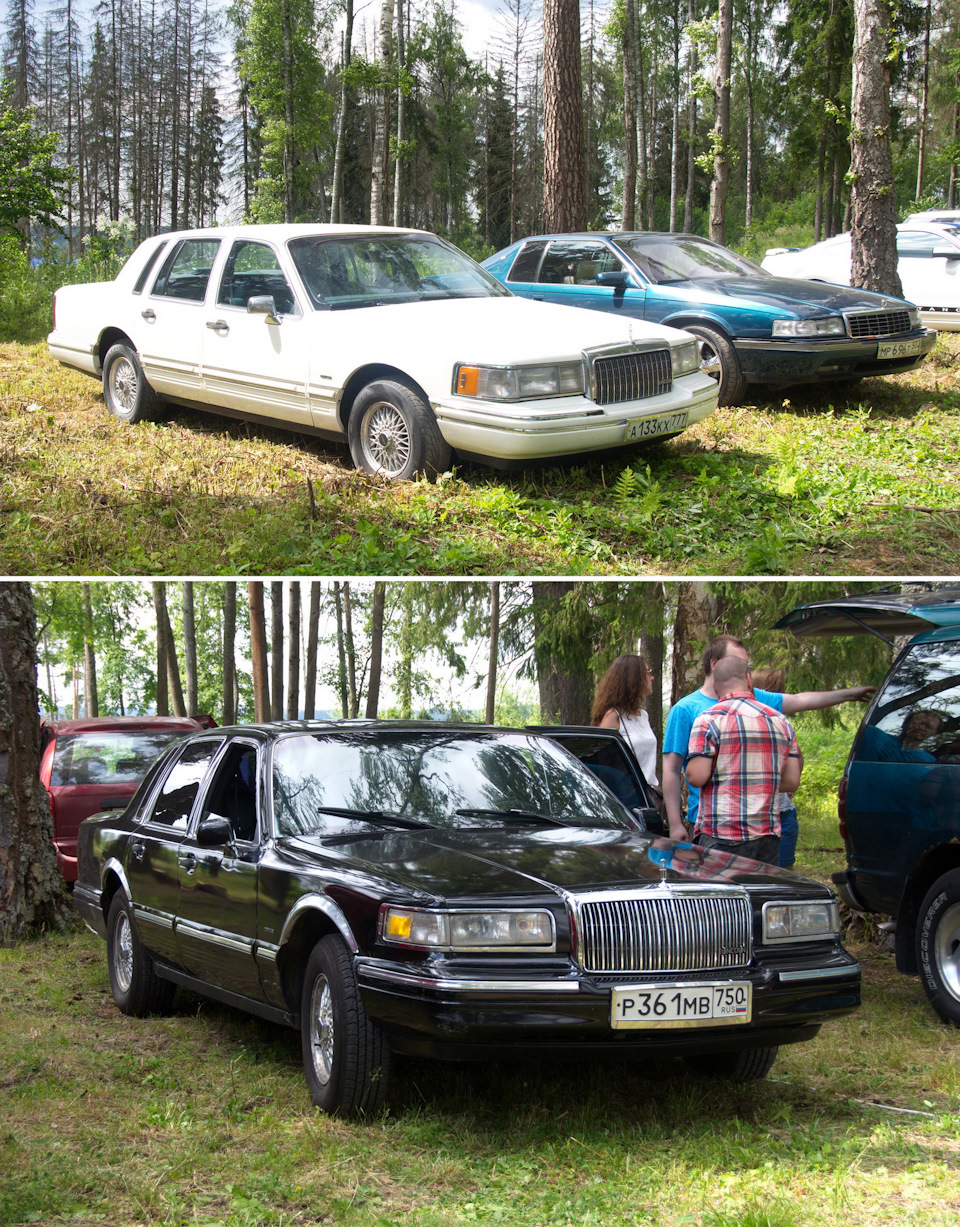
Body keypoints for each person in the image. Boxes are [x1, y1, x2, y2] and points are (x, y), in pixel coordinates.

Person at [662, 634, 875, 842]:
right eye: (739, 662)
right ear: (715, 664)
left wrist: (850, 694)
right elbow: (671, 769)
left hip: (761, 824)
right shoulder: (686, 709)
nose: (746, 671)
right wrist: (675, 824)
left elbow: (801, 700)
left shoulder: (756, 697)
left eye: (747, 665)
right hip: (710, 824)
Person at [684, 655, 802, 865]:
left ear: (715, 685)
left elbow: (696, 777)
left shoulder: (708, 720)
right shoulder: (780, 720)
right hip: (766, 836)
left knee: (721, 888)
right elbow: (792, 781)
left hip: (721, 833)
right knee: (760, 887)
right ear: (748, 679)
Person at [750, 666, 801, 870]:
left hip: (779, 810)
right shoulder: (776, 724)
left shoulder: (782, 725)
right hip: (757, 814)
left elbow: (794, 774)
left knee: (781, 875)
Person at [591, 654, 659, 790]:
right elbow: (603, 767)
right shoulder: (613, 716)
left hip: (648, 794)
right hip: (626, 796)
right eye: (647, 673)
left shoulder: (643, 715)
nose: (652, 677)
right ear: (634, 678)